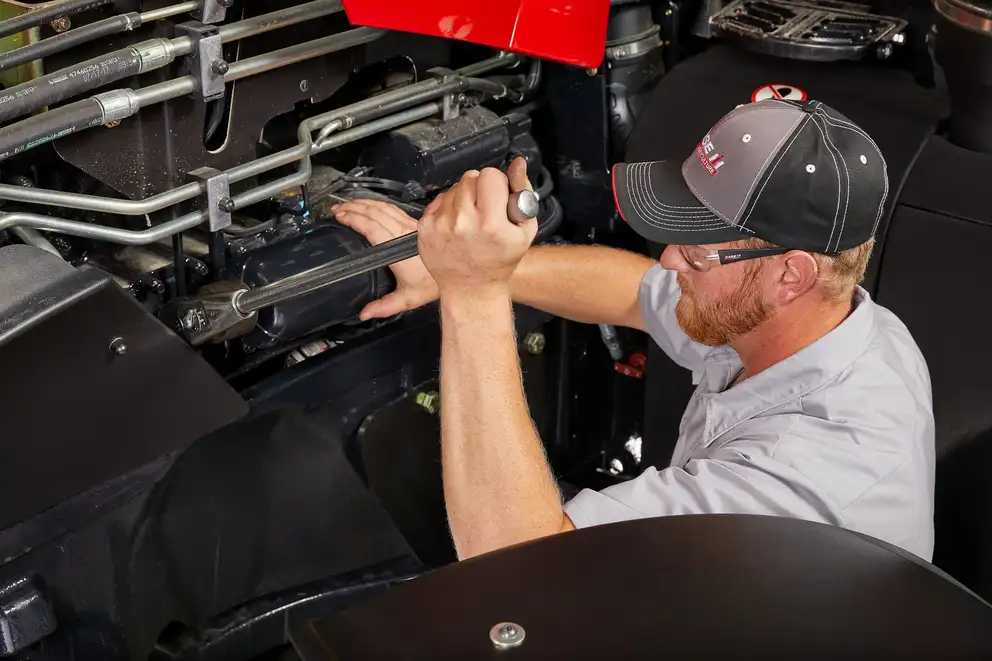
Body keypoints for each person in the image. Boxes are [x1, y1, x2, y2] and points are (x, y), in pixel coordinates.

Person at [331, 98, 935, 562]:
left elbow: (521, 569)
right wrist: (468, 270)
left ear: (790, 275)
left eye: (700, 251)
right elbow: (638, 292)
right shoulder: (839, 325)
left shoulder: (800, 480)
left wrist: (474, 293)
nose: (672, 260)